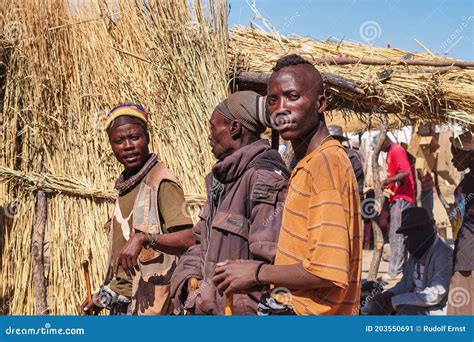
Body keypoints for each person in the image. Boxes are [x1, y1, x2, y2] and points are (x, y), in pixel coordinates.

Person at [213, 54, 362, 315]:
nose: (281, 108)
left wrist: (256, 272)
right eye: (273, 100)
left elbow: (326, 269)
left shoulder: (326, 164)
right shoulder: (307, 163)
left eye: (293, 97)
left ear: (320, 104)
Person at [170, 91, 290, 315]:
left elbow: (268, 272)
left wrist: (206, 299)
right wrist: (189, 280)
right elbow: (199, 242)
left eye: (213, 127)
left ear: (234, 128)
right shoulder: (224, 181)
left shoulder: (263, 179)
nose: (209, 135)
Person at [81, 104, 194, 315]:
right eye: (119, 141)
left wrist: (145, 238)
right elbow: (126, 275)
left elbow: (189, 239)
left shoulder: (162, 184)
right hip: (125, 305)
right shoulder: (126, 187)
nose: (128, 146)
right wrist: (101, 298)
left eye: (134, 137)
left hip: (155, 308)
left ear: (147, 137)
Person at [366, 207, 453, 315]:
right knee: (373, 308)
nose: (405, 242)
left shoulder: (444, 254)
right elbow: (404, 285)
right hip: (412, 304)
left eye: (407, 236)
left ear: (422, 232)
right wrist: (388, 295)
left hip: (435, 310)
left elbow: (433, 295)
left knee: (404, 312)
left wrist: (394, 301)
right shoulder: (417, 252)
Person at [379, 135, 415, 282]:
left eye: (380, 146)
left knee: (397, 233)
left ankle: (395, 271)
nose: (379, 150)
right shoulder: (390, 152)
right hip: (397, 196)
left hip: (402, 197)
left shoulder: (396, 150)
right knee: (398, 233)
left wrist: (388, 181)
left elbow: (405, 172)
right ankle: (402, 268)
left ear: (385, 141)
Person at [448, 131, 474, 315]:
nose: (452, 159)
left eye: (456, 153)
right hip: (465, 253)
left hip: (468, 256)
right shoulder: (468, 180)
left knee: (462, 309)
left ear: (470, 154)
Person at [328, 124, 365, 202]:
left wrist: (358, 199)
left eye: (336, 139)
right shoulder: (321, 156)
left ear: (340, 141)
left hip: (346, 199)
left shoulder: (351, 156)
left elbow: (359, 179)